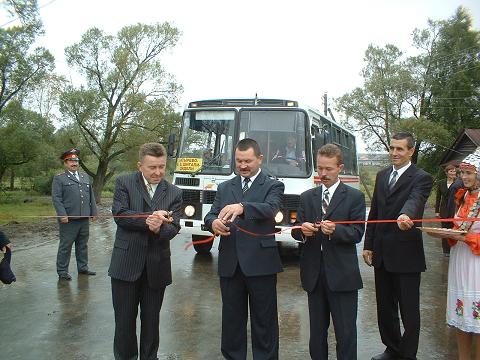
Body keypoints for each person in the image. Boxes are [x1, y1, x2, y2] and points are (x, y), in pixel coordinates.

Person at [204, 138, 285, 360]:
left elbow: (270, 209)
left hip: (261, 264)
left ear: (260, 159)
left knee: (264, 321)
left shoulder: (273, 185)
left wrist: (242, 207)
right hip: (230, 265)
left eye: (247, 161)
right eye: (239, 161)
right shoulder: (224, 187)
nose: (243, 166)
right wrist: (213, 223)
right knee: (231, 321)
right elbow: (210, 214)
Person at [362, 132, 433, 360]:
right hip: (381, 255)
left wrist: (406, 214)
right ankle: (392, 349)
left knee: (409, 312)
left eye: (400, 149)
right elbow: (375, 212)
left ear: (411, 151)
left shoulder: (421, 177)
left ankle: (408, 355)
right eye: (392, 148)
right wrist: (368, 244)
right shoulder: (382, 176)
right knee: (385, 309)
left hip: (406, 256)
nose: (394, 153)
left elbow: (416, 199)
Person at [108, 142, 182, 360]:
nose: (158, 172)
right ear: (140, 165)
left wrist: (160, 228)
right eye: (152, 167)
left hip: (156, 267)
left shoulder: (175, 192)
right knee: (124, 322)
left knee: (151, 321)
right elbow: (119, 214)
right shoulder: (124, 183)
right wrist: (148, 221)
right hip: (125, 265)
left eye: (162, 166)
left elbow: (175, 227)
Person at [291, 144, 365, 359]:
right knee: (316, 334)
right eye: (319, 168)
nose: (323, 174)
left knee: (345, 333)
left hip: (343, 276)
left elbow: (357, 233)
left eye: (328, 169)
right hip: (314, 275)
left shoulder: (354, 197)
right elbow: (296, 232)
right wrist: (303, 231)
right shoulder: (307, 197)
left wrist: (336, 231)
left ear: (339, 167)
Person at [428, 148, 480, 360]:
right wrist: (446, 234)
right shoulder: (461, 196)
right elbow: (456, 228)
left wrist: (465, 238)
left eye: (469, 173)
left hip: (476, 264)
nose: (463, 177)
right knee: (462, 316)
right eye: (462, 173)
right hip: (460, 261)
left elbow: (467, 234)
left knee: (477, 319)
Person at [52, 148, 97, 281]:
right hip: (69, 219)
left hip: (84, 218)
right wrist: (62, 214)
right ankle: (62, 272)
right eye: (71, 160)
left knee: (82, 245)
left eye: (76, 160)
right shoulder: (59, 178)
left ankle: (83, 268)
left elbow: (91, 196)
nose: (74, 163)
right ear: (65, 163)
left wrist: (93, 212)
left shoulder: (85, 176)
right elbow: (56, 198)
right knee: (66, 246)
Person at [435, 162, 459, 256]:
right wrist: (437, 211)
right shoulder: (441, 183)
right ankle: (446, 251)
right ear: (446, 172)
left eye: (454, 171)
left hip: (455, 209)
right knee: (444, 230)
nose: (453, 173)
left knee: (453, 230)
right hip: (444, 210)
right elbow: (438, 198)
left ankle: (454, 249)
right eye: (451, 171)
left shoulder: (458, 182)